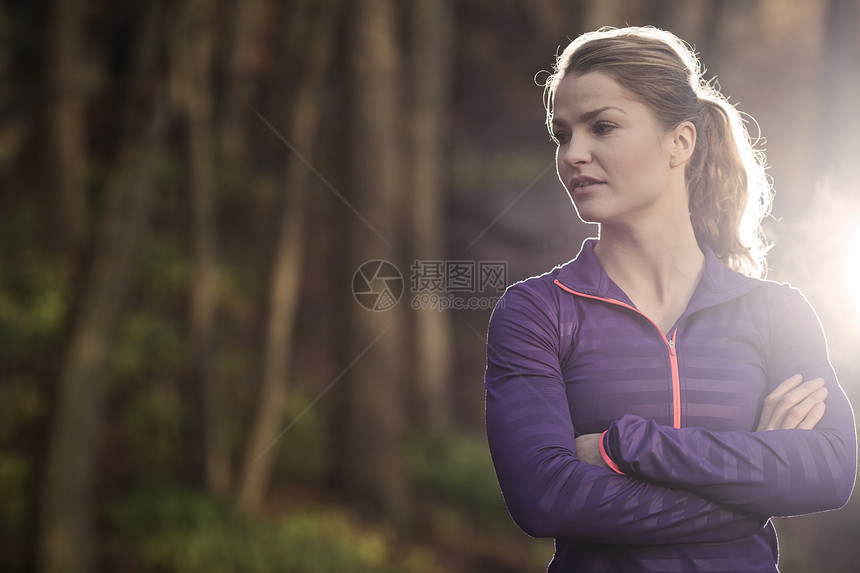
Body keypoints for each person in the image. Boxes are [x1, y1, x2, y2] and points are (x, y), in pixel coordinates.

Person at [484, 26, 856, 572]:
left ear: (680, 141)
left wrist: (626, 445)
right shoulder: (537, 311)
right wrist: (753, 486)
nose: (573, 155)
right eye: (562, 134)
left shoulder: (777, 312)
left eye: (602, 127)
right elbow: (545, 498)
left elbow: (829, 469)